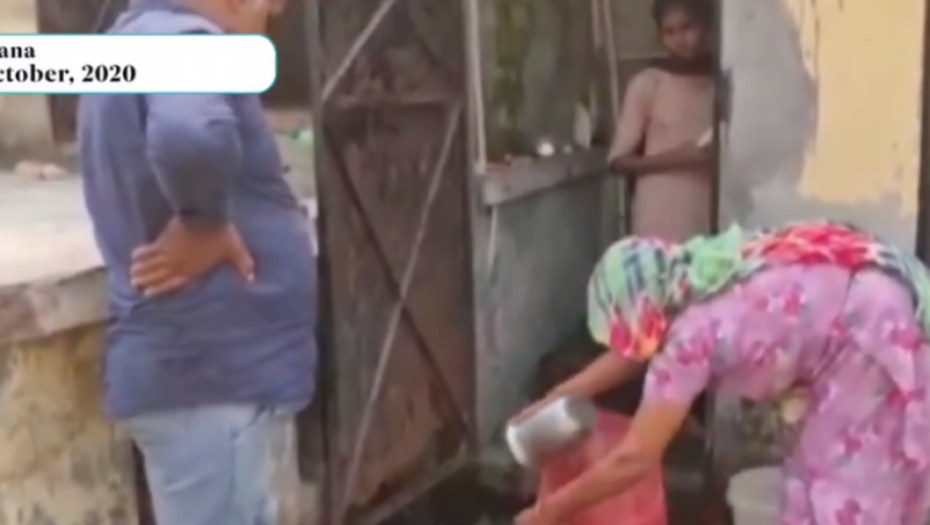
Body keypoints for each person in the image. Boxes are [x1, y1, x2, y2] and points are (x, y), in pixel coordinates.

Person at [515, 221, 930, 525]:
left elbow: (635, 457)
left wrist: (548, 512)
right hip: (868, 301)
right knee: (811, 478)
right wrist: (560, 397)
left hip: (870, 337)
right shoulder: (697, 271)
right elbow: (637, 349)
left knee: (848, 494)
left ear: (641, 310)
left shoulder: (689, 339)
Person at [78, 1, 316, 525]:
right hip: (209, 380)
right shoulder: (185, 40)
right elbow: (192, 133)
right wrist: (204, 223)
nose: (277, 9)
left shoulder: (129, 43)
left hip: (200, 382)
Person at [609, 0, 715, 241]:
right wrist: (681, 157)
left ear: (706, 25)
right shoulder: (649, 83)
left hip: (711, 211)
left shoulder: (723, 84)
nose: (680, 39)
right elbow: (618, 163)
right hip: (659, 215)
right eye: (669, 32)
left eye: (687, 27)